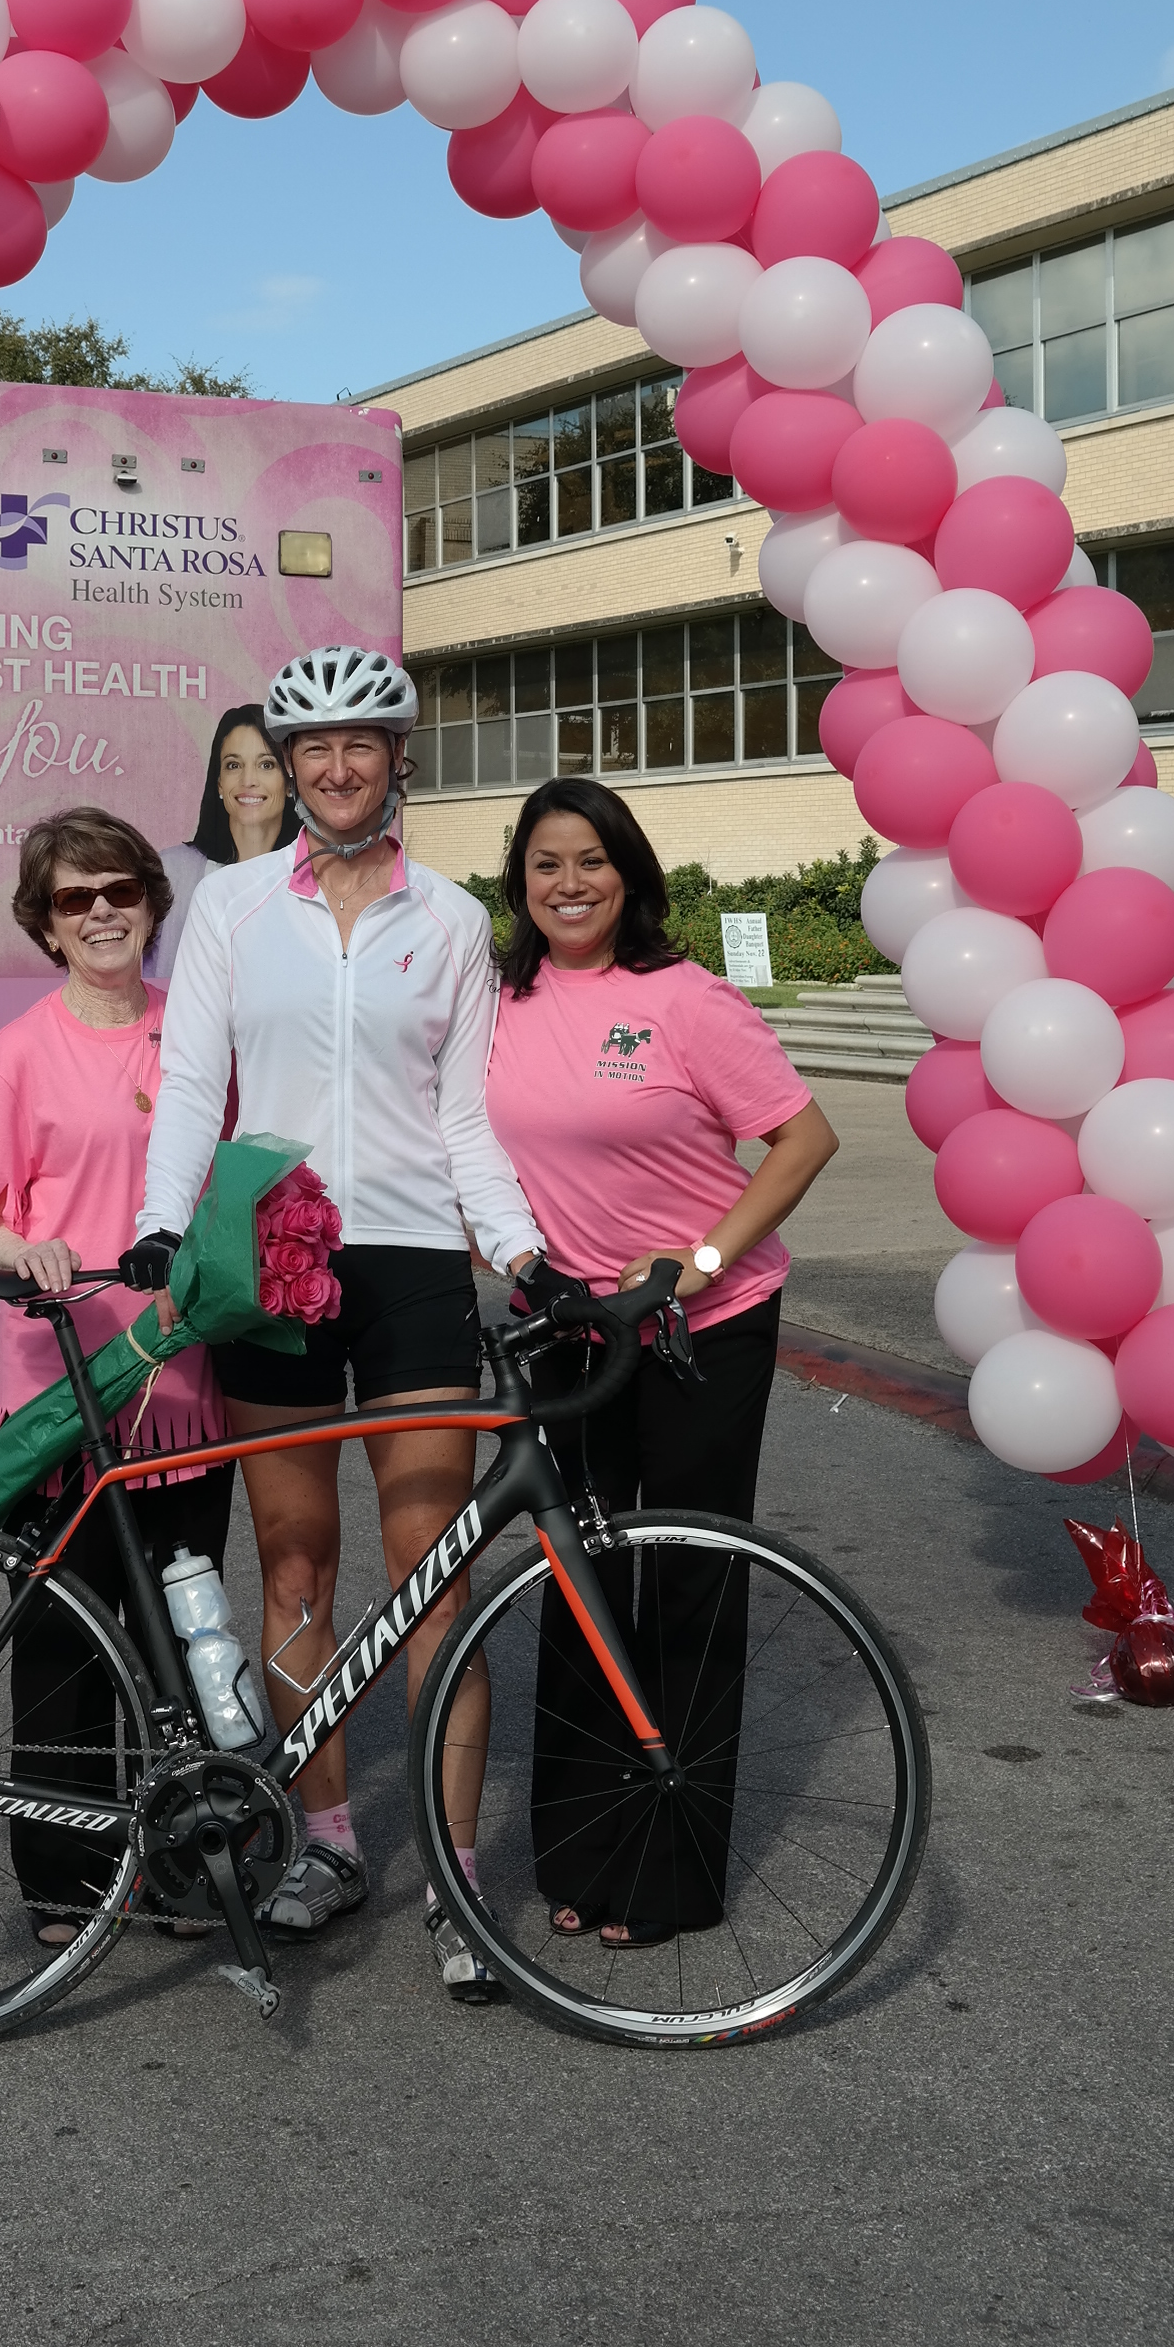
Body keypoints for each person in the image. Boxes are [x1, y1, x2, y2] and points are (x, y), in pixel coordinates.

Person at [129, 645, 545, 2003]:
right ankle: (326, 1843)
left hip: (416, 1264)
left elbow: (465, 1115)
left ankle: (459, 1880)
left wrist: (520, 1250)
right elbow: (192, 1077)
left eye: (361, 742)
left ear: (398, 758)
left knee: (437, 1579)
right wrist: (162, 1219)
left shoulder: (455, 919)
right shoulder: (234, 904)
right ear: (288, 767)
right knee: (295, 1564)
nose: (336, 766)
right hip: (276, 1261)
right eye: (312, 747)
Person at [480, 778, 838, 1950]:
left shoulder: (685, 1000)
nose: (568, 883)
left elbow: (803, 1138)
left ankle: (671, 1873)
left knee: (686, 1581)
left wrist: (699, 1259)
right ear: (519, 882)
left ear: (627, 873)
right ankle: (583, 1853)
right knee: (579, 1580)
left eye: (590, 860)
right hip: (568, 1329)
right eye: (545, 863)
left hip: (701, 1327)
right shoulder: (498, 1002)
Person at [0, 806, 231, 1944]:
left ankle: (175, 1862)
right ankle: (65, 1879)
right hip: (65, 1390)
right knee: (65, 1643)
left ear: (155, 904)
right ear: (47, 924)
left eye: (120, 890)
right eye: (76, 897)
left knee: (185, 1640)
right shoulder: (18, 1052)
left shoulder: (194, 1035)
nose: (102, 911)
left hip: (181, 1386)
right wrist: (28, 1249)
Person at [146, 704, 298, 985]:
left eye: (266, 765)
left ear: (289, 784)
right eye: (233, 765)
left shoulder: (315, 874)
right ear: (219, 783)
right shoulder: (169, 872)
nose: (248, 781)